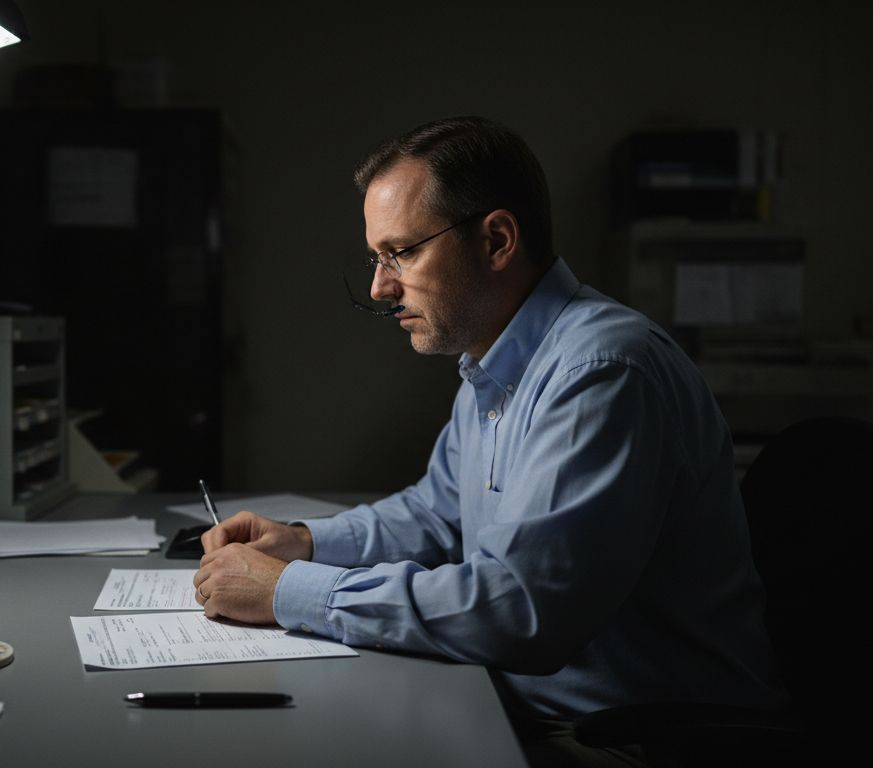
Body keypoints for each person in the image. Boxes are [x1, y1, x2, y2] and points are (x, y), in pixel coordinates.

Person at [193, 116, 786, 765]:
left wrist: (287, 591)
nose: (379, 288)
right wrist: (303, 542)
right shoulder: (497, 365)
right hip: (538, 714)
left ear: (497, 240)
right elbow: (437, 514)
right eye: (376, 257)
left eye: (402, 253)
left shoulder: (603, 373)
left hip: (638, 742)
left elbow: (519, 609)